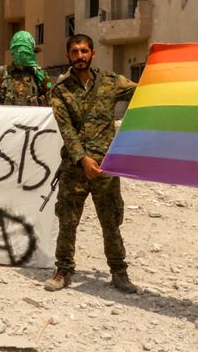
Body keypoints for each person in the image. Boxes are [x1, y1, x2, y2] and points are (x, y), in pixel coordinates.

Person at [46, 34, 138, 293]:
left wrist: (159, 67)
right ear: (68, 55)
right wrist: (83, 158)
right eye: (74, 52)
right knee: (68, 221)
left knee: (110, 222)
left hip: (105, 168)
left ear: (93, 53)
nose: (80, 56)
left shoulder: (111, 82)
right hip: (75, 169)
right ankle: (63, 270)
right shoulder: (61, 91)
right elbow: (67, 130)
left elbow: (145, 92)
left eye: (84, 51)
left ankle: (119, 272)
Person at [0, 30, 51, 106]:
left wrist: (45, 81)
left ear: (32, 52)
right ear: (12, 52)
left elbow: (51, 97)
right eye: (18, 50)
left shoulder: (39, 74)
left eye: (26, 51)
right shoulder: (0, 75)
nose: (21, 55)